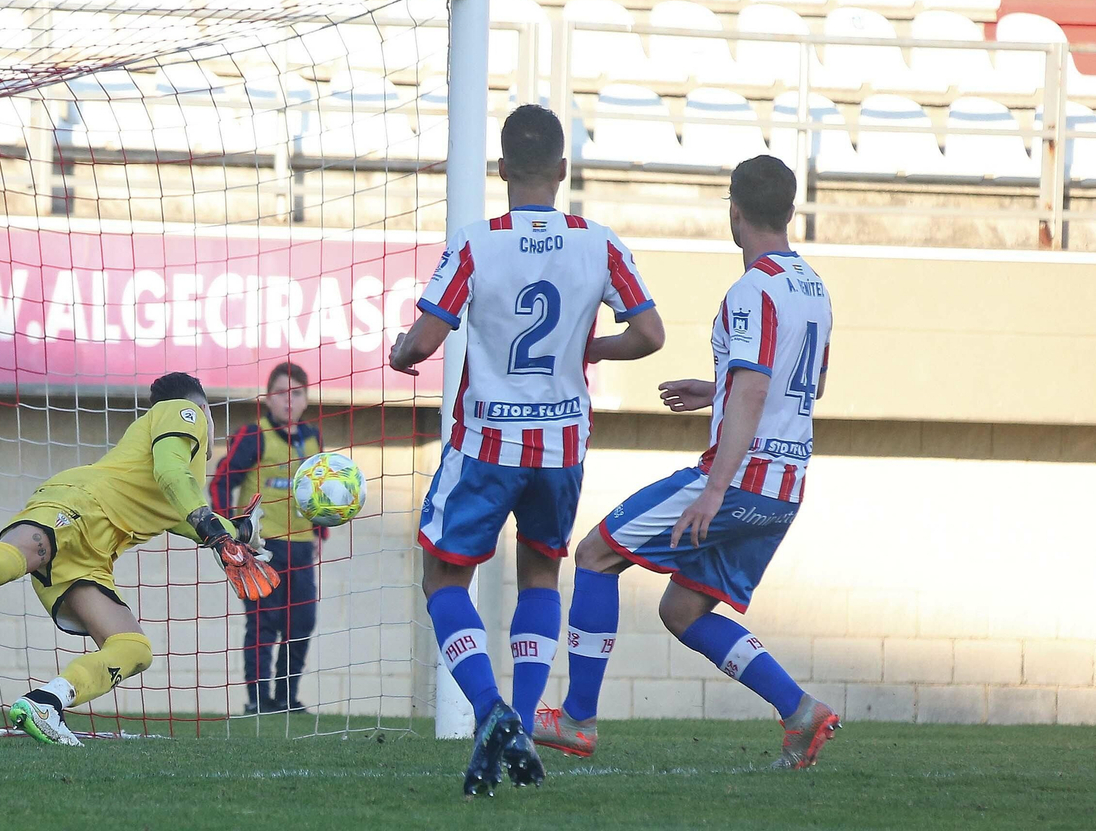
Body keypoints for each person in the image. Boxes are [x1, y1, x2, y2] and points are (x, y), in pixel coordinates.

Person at [389, 104, 666, 795]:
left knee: (442, 578)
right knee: (541, 574)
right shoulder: (599, 243)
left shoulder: (477, 243)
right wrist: (589, 347)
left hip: (487, 441)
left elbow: (424, 341)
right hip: (562, 446)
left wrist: (402, 353)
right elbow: (651, 335)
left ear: (503, 170)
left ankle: (491, 712)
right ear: (564, 170)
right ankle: (528, 712)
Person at [535, 155, 839, 770]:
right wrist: (718, 387)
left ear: (734, 210)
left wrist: (712, 490)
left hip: (738, 480)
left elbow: (757, 389)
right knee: (682, 609)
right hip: (785, 488)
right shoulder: (813, 286)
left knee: (595, 554)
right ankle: (801, 712)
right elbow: (811, 384)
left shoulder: (751, 290)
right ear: (788, 209)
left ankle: (577, 720)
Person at [0, 372, 280, 746]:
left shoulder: (180, 483)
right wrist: (215, 529)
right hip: (80, 505)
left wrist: (237, 531)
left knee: (133, 648)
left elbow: (181, 513)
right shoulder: (180, 412)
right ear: (202, 409)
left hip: (94, 554)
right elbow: (173, 477)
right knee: (16, 558)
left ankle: (46, 702)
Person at [211, 361, 323, 715]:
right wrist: (228, 534)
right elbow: (221, 482)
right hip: (262, 548)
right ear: (267, 398)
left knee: (301, 622)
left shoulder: (312, 437)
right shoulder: (253, 435)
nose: (289, 401)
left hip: (302, 546)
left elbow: (318, 490)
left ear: (306, 399)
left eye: (297, 393)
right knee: (264, 621)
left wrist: (320, 529)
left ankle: (287, 697)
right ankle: (258, 700)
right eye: (281, 393)